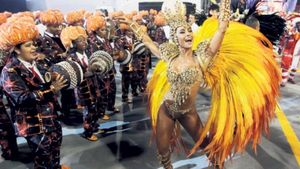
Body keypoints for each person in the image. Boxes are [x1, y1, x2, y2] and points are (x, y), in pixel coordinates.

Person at [119, 0, 280, 168]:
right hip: (166, 110)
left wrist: (225, 5)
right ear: (175, 37)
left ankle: (218, 165)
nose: (188, 34)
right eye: (183, 32)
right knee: (163, 153)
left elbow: (221, 29)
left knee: (208, 147)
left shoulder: (202, 58)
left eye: (189, 30)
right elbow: (149, 43)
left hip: (188, 113)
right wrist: (134, 26)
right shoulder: (170, 57)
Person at [0, 16, 70, 169]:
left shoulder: (37, 62)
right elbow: (21, 98)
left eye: (34, 44)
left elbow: (46, 78)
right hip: (34, 123)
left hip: (51, 117)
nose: (34, 48)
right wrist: (51, 89)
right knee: (43, 156)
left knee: (55, 147)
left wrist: (52, 77)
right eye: (28, 45)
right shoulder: (9, 71)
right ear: (16, 49)